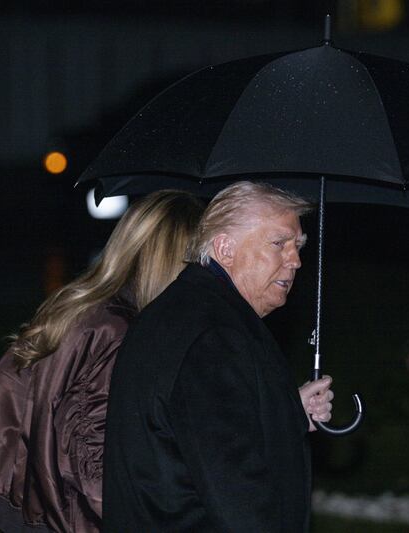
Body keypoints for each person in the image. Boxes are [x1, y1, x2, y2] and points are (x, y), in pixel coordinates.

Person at [0, 190, 205, 533]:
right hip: (61, 518)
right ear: (175, 262)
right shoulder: (119, 333)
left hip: (19, 505)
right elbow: (94, 464)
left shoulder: (89, 308)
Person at [103, 181, 334, 532]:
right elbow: (237, 492)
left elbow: (195, 437)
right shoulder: (213, 336)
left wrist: (287, 412)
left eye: (298, 246)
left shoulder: (187, 310)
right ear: (225, 248)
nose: (296, 260)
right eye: (279, 243)